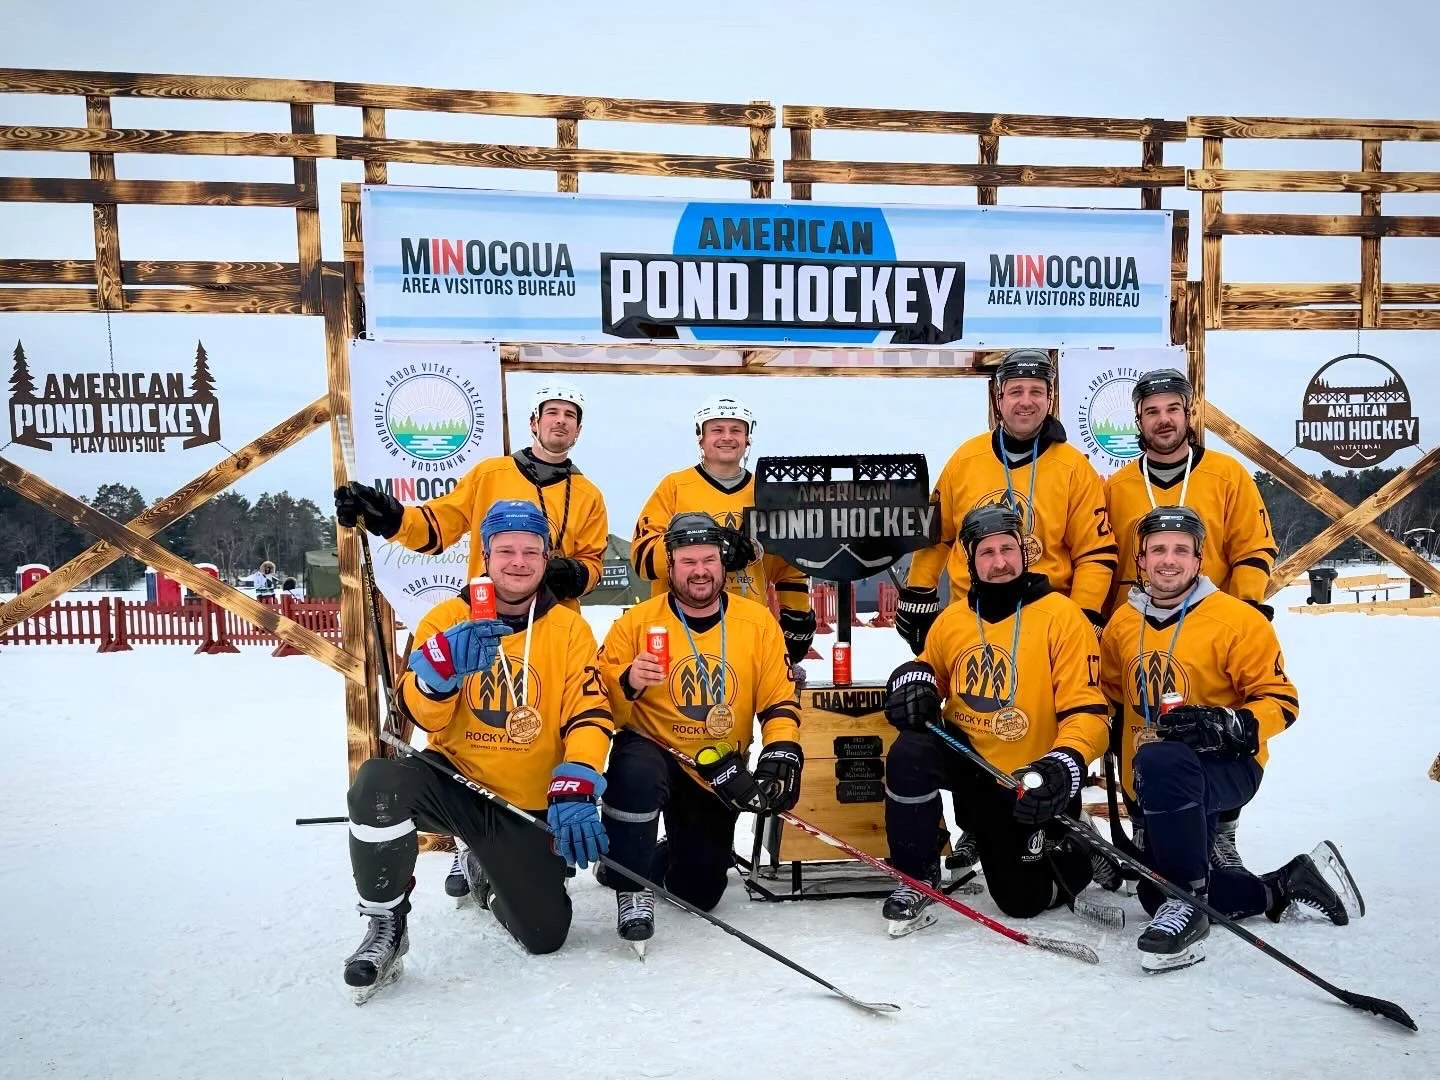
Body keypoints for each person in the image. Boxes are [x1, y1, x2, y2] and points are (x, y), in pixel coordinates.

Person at [340, 500, 613, 1001]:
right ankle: (386, 926)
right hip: (457, 782)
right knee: (377, 786)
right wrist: (438, 678)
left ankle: (483, 870)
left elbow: (589, 714)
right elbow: (420, 717)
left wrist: (576, 782)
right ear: (484, 555)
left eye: (531, 550)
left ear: (546, 557)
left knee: (545, 936)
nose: (518, 561)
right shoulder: (446, 617)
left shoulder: (570, 629)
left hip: (524, 804)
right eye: (505, 549)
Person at [1099, 506, 1359, 972]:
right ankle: (1282, 886)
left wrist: (1227, 723)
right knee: (1152, 889)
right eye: (1157, 550)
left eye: (1181, 550)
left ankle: (1190, 908)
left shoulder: (1237, 619)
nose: (1169, 560)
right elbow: (1116, 700)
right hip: (1153, 778)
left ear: (1199, 560)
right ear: (1140, 561)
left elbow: (1282, 702)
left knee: (1164, 764)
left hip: (1227, 768)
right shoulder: (1122, 624)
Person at [879, 505, 1110, 935]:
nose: (1000, 562)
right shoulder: (953, 620)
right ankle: (917, 877)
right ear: (971, 560)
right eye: (987, 552)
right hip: (972, 765)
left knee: (1022, 902)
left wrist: (1066, 763)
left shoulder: (1062, 616)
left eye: (1008, 549)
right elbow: (926, 672)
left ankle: (1079, 846)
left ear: (1025, 552)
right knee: (911, 750)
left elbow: (1090, 715)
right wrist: (911, 685)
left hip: (1032, 780)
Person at [595, 511, 803, 951]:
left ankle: (637, 856)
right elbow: (595, 699)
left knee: (700, 893)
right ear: (669, 566)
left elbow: (778, 699)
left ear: (724, 562)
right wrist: (629, 680)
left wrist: (781, 751)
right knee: (635, 771)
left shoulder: (757, 621)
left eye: (708, 559)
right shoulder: (636, 623)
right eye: (688, 561)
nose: (700, 571)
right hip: (654, 748)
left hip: (717, 764)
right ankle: (629, 885)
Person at [1103, 367, 1279, 868]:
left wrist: (1244, 611)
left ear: (1188, 413)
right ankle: (1147, 821)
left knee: (1213, 728)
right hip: (1141, 626)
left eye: (1173, 409)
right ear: (1138, 419)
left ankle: (1223, 827)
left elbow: (1254, 548)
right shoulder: (1118, 486)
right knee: (1143, 728)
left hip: (1213, 627)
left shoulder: (1227, 475)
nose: (1164, 420)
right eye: (1152, 411)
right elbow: (1110, 560)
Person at [897, 349, 1117, 656]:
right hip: (971, 620)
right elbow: (937, 536)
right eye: (1015, 391)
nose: (1026, 401)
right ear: (999, 400)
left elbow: (1095, 553)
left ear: (1050, 399)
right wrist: (920, 591)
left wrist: (1080, 616)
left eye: (1036, 391)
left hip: (1048, 626)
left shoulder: (1074, 468)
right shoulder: (965, 460)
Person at [334, 381, 608, 610]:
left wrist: (574, 573)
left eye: (570, 415)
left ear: (578, 431)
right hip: (487, 616)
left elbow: (593, 563)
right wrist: (390, 517)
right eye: (552, 412)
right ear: (534, 422)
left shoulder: (589, 496)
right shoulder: (489, 475)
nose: (561, 420)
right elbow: (437, 526)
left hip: (555, 622)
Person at [631, 395, 815, 673]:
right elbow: (641, 558)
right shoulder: (675, 486)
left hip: (747, 626)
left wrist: (797, 615)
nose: (727, 437)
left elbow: (790, 566)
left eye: (736, 430)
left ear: (747, 438)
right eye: (717, 429)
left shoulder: (767, 494)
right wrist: (708, 544)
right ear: (700, 438)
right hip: (680, 625)